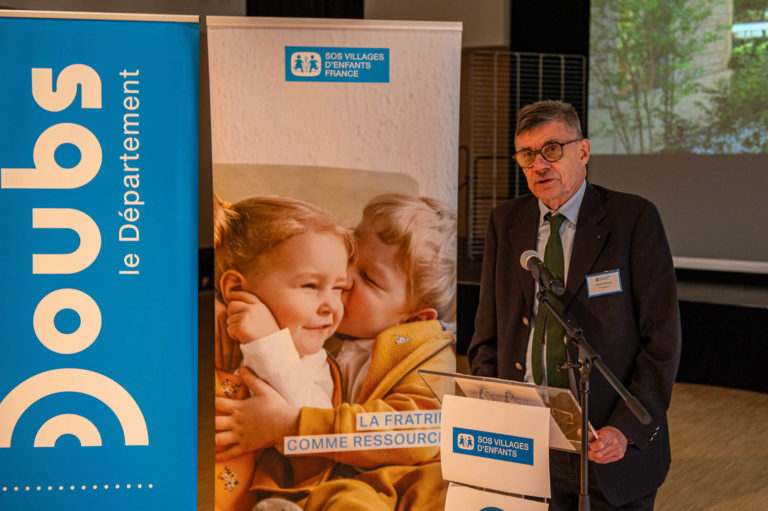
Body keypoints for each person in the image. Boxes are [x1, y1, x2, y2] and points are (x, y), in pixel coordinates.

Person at [467, 100, 681, 510]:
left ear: (582, 152)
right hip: (526, 440)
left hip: (606, 441)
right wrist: (492, 407)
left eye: (551, 149)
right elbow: (487, 332)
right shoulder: (505, 221)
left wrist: (625, 428)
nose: (539, 165)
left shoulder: (632, 219)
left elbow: (663, 342)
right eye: (527, 155)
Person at [215, 193, 458, 511]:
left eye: (369, 278)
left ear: (414, 318)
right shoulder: (324, 326)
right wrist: (222, 305)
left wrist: (290, 426)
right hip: (333, 485)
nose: (344, 278)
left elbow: (419, 433)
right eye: (351, 257)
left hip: (402, 480)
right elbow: (252, 248)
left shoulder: (430, 352)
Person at [212, 195, 353, 511]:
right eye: (310, 286)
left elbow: (317, 437)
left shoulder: (315, 364)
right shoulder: (205, 329)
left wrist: (270, 344)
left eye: (339, 288)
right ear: (235, 289)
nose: (331, 305)